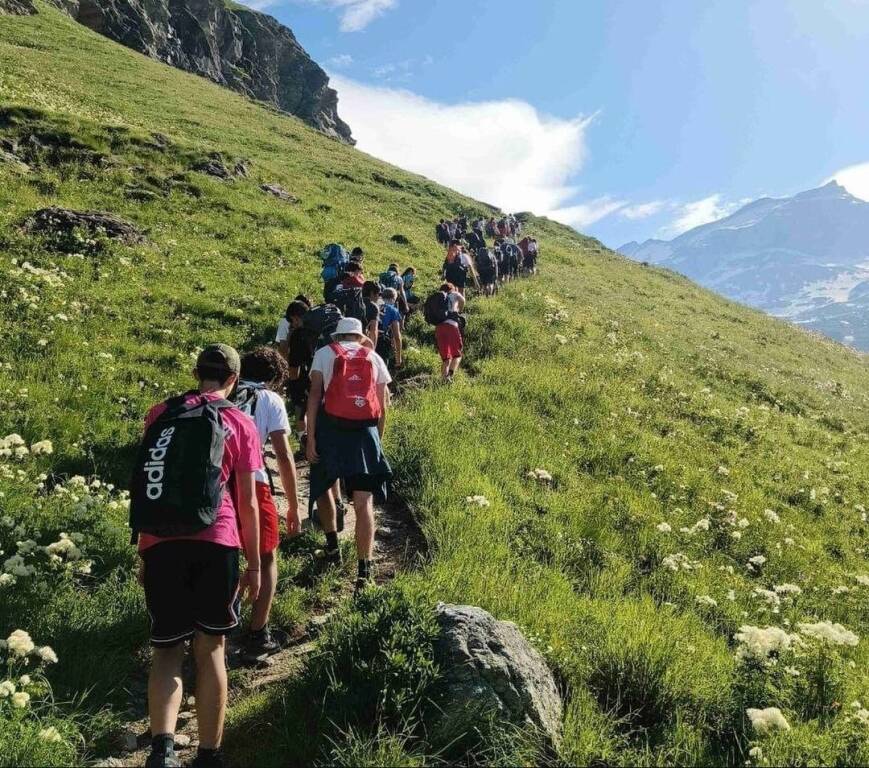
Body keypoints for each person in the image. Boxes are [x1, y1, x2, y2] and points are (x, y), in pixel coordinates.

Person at [136, 344, 261, 768]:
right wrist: (255, 564)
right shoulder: (238, 421)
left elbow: (151, 482)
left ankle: (162, 750)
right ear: (234, 379)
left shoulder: (161, 414)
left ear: (196, 372)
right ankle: (209, 755)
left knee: (167, 649)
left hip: (160, 543)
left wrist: (143, 549)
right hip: (218, 541)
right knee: (211, 648)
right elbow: (246, 502)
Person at [306, 318, 393, 593]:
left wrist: (310, 438)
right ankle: (364, 571)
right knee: (364, 501)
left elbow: (314, 397)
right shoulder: (373, 356)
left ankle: (333, 546)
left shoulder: (324, 354)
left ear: (337, 335)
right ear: (359, 336)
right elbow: (382, 403)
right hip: (364, 433)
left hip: (330, 429)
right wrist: (377, 440)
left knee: (324, 485)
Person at [235, 348, 301, 663]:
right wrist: (292, 504)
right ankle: (258, 632)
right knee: (265, 554)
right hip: (253, 480)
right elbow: (284, 456)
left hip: (212, 483)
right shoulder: (269, 400)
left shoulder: (225, 391)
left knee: (225, 551)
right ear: (274, 378)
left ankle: (215, 619)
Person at [277, 299, 312, 447]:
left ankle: (305, 444)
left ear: (296, 318)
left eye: (293, 321)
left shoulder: (299, 335)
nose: (292, 325)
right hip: (328, 376)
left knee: (301, 411)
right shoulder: (318, 328)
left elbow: (293, 373)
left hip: (307, 380)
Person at [433, 283, 466, 382]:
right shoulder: (454, 294)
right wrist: (459, 310)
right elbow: (463, 300)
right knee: (457, 354)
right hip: (452, 326)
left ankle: (443, 379)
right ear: (452, 289)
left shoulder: (438, 298)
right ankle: (450, 375)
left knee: (446, 358)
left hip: (439, 328)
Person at [377, 288, 403, 370]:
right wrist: (398, 359)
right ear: (393, 299)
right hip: (382, 343)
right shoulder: (393, 310)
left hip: (368, 341)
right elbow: (397, 336)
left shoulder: (374, 306)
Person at [362, 280, 382, 348]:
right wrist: (372, 351)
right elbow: (373, 331)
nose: (378, 297)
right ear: (372, 293)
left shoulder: (355, 301)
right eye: (378, 294)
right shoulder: (373, 306)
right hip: (362, 339)